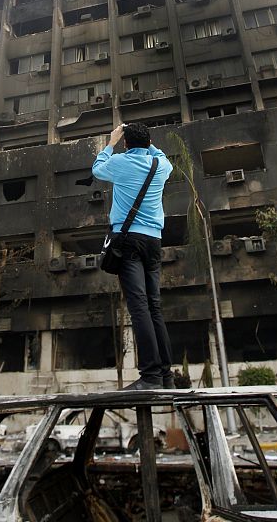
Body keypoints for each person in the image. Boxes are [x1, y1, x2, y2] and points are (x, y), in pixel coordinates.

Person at [92, 122, 174, 390]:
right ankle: (166, 376)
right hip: (154, 241)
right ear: (148, 142)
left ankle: (150, 376)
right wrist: (145, 142)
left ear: (126, 143)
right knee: (154, 306)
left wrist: (111, 141)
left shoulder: (119, 162)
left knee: (138, 306)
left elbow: (96, 169)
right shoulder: (160, 166)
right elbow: (161, 156)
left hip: (128, 242)